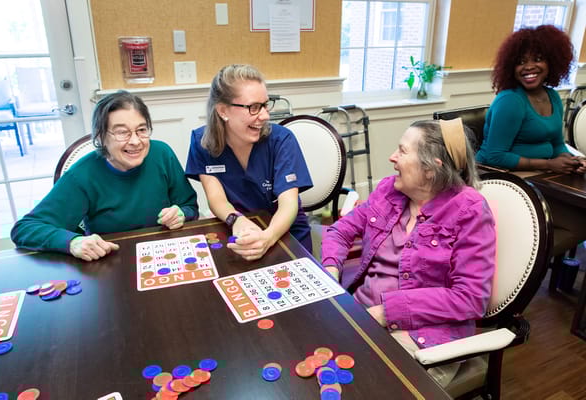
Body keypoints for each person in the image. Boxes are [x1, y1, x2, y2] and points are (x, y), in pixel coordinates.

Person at [322, 119, 496, 388]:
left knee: (361, 388)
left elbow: (470, 299)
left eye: (402, 151)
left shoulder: (470, 211)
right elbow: (339, 231)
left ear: (430, 168)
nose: (392, 157)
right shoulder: (389, 190)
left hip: (424, 336)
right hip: (361, 312)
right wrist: (331, 271)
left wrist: (387, 312)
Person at [11, 91, 199, 261]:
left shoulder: (162, 153)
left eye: (141, 130)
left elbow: (189, 205)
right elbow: (25, 228)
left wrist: (181, 214)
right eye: (122, 132)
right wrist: (73, 242)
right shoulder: (82, 174)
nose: (135, 141)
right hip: (110, 261)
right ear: (100, 137)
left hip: (164, 254)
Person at [185, 64, 313, 261]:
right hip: (239, 229)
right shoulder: (202, 142)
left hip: (285, 231)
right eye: (254, 107)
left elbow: (288, 204)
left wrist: (267, 238)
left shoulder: (282, 140)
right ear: (223, 111)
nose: (265, 116)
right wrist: (236, 220)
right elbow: (216, 198)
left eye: (265, 105)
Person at [476, 25, 586, 174]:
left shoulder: (553, 96)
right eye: (521, 62)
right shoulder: (510, 101)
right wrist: (549, 164)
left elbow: (557, 144)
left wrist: (571, 160)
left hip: (540, 173)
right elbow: (495, 156)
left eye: (538, 59)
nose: (528, 67)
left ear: (552, 63)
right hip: (500, 176)